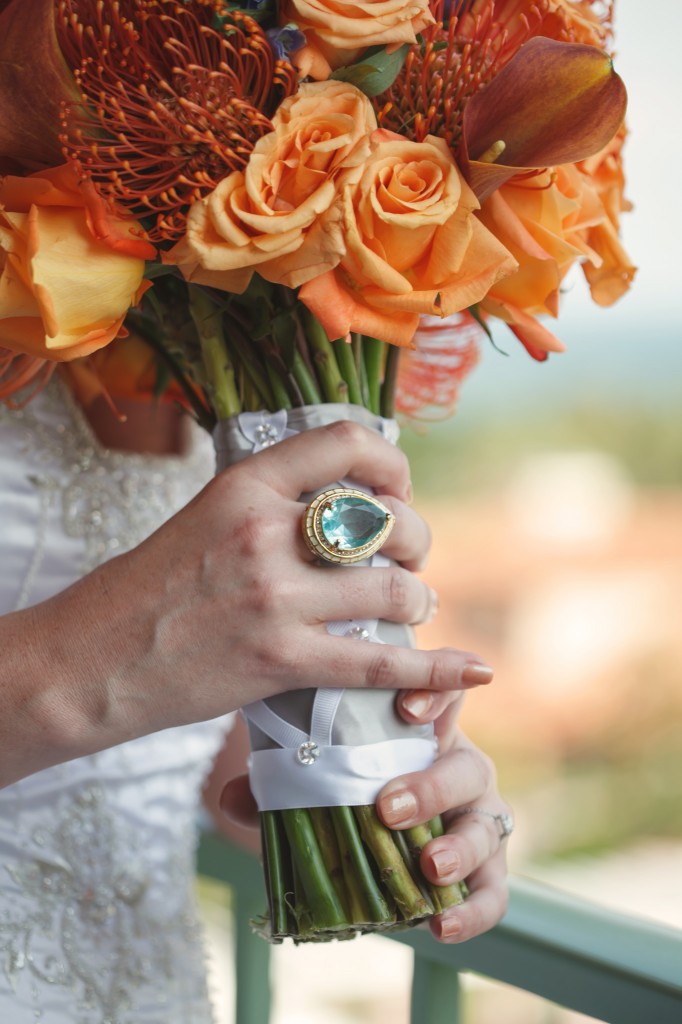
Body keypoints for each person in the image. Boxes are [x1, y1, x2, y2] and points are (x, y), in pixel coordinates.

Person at [0, 376, 511, 1023]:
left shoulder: (241, 362)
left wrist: (375, 773)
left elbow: (222, 772)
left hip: (154, 989)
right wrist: (102, 657)